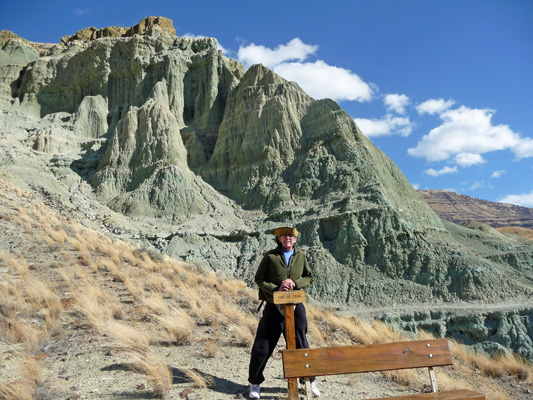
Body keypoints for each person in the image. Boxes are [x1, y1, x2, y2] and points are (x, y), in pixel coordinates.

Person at [248, 226, 320, 399]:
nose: (287, 238)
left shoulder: (300, 256)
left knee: (301, 344)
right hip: (274, 306)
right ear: (279, 239)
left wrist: (294, 283)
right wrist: (277, 288)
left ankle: (309, 381)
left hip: (296, 305)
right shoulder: (270, 256)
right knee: (263, 345)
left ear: (295, 239)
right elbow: (259, 279)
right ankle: (254, 383)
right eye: (284, 236)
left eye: (291, 236)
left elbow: (310, 277)